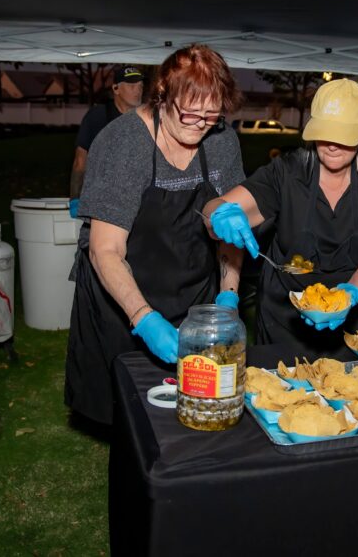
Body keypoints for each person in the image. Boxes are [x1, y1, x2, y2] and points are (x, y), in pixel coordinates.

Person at [64, 45, 245, 425]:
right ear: (163, 93)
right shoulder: (123, 143)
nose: (200, 125)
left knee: (203, 409)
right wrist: (143, 317)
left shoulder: (222, 138)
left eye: (211, 116)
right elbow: (106, 250)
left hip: (194, 291)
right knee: (132, 420)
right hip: (123, 296)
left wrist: (228, 293)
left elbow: (227, 226)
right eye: (190, 113)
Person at [202, 78, 358, 358]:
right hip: (285, 324)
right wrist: (217, 214)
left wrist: (350, 294)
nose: (331, 145)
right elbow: (214, 208)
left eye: (342, 135)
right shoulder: (286, 172)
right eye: (324, 133)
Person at [69, 65, 146, 215]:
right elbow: (80, 160)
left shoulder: (148, 118)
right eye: (131, 86)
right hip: (104, 202)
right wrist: (75, 198)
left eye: (140, 86)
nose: (137, 91)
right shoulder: (98, 117)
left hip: (140, 202)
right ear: (116, 89)